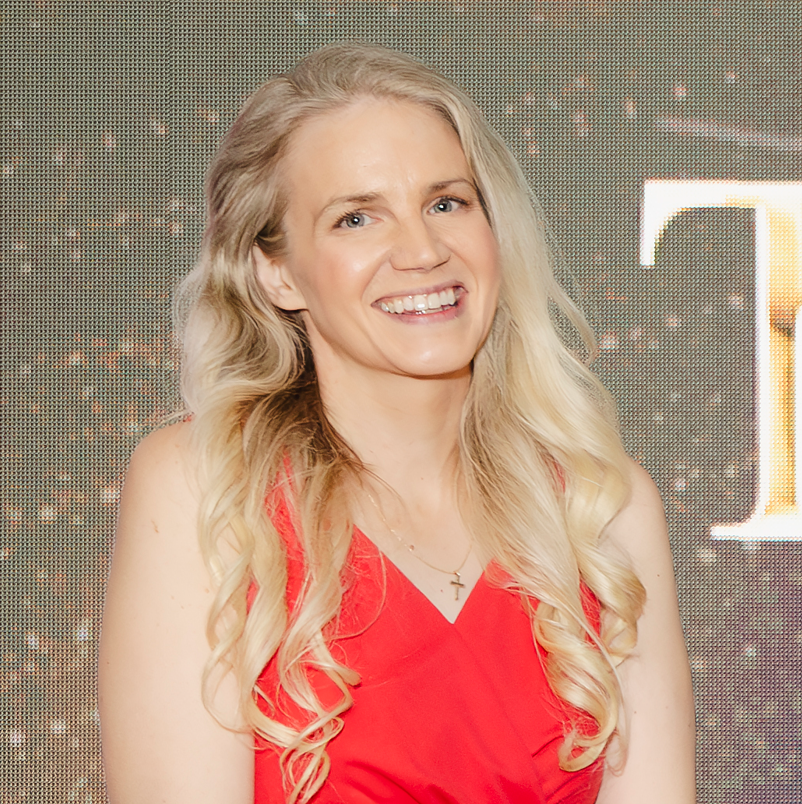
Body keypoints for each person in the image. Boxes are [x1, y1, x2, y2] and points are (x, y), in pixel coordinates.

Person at [98, 43, 695, 804]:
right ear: (275, 273)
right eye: (356, 218)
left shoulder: (601, 509)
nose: (421, 250)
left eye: (447, 202)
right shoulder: (201, 487)